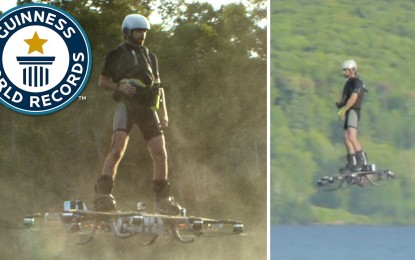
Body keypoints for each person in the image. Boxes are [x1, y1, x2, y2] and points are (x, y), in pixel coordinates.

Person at [93, 14, 183, 215]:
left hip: (147, 108)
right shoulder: (115, 54)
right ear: (127, 32)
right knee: (117, 150)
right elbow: (102, 82)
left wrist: (164, 113)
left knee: (160, 152)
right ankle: (103, 195)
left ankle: (163, 200)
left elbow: (158, 87)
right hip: (127, 106)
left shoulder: (151, 56)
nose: (141, 35)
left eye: (143, 31)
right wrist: (119, 86)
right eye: (137, 31)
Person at [336, 59, 368, 172]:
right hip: (348, 110)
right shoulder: (348, 83)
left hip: (353, 110)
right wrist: (341, 105)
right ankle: (352, 162)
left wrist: (344, 109)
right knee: (346, 138)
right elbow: (346, 98)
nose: (343, 72)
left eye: (346, 70)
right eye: (343, 70)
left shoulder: (356, 82)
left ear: (353, 70)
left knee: (351, 136)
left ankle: (362, 161)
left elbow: (354, 98)